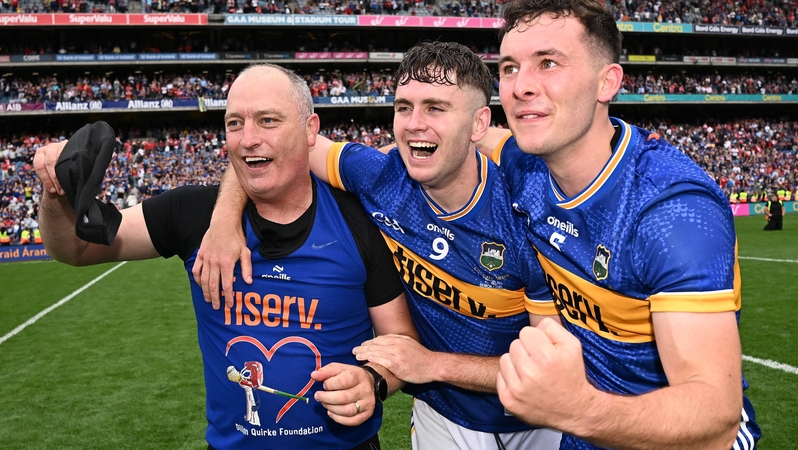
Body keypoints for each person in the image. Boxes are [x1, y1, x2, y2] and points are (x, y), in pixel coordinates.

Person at [196, 43, 562, 449]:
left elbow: (549, 370)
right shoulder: (378, 176)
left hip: (533, 418)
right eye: (404, 108)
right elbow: (269, 145)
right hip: (442, 414)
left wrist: (431, 364)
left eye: (435, 108)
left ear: (479, 124)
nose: (414, 124)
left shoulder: (526, 214)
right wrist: (224, 218)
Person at [33, 64, 418, 450]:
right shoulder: (191, 213)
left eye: (268, 120)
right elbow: (75, 248)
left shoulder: (358, 220)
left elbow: (400, 337)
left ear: (310, 129)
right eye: (235, 123)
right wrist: (56, 192)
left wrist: (373, 380)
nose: (248, 139)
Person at [478, 0, 761, 448]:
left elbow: (716, 416)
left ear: (606, 82)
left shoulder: (670, 209)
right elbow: (485, 137)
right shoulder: (524, 163)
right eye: (510, 67)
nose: (520, 86)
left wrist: (577, 409)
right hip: (590, 432)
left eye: (548, 63)